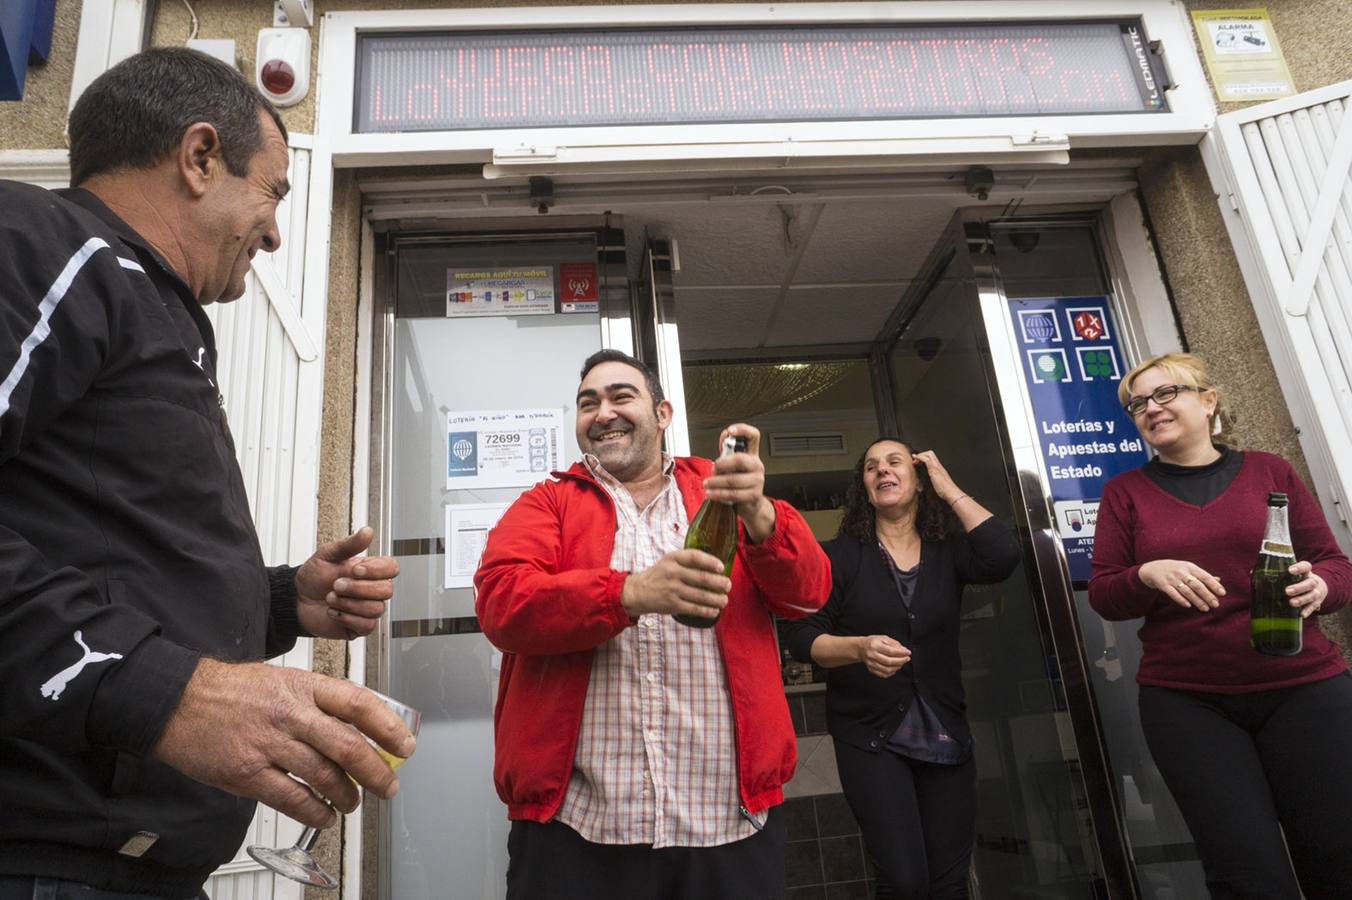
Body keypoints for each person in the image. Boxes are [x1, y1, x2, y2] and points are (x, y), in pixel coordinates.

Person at [0, 49, 414, 900]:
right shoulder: (50, 249)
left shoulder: (145, 308)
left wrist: (278, 600)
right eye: (272, 194)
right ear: (198, 158)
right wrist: (168, 694)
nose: (274, 232)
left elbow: (104, 548)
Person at [474, 349, 832, 899]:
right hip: (578, 828)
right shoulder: (547, 502)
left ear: (662, 414)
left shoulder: (720, 489)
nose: (603, 412)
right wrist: (630, 592)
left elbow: (808, 595)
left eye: (622, 396)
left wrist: (760, 513)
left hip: (727, 823)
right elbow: (503, 603)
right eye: (587, 403)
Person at [1089, 352, 1352, 899]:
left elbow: (1335, 564)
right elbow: (1107, 594)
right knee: (1247, 874)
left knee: (1338, 856)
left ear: (1208, 401)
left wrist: (1322, 586)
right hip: (1190, 704)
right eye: (1137, 403)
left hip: (1304, 691)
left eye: (1166, 394)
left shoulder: (1269, 471)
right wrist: (1146, 573)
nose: (1150, 408)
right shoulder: (1125, 493)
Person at [783, 439, 1020, 900]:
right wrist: (858, 647)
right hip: (872, 739)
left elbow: (1002, 556)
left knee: (949, 882)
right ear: (864, 488)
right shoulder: (839, 556)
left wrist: (948, 487)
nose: (882, 471)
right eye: (871, 467)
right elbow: (802, 637)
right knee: (905, 881)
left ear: (918, 481)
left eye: (894, 463)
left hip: (946, 733)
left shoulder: (948, 552)